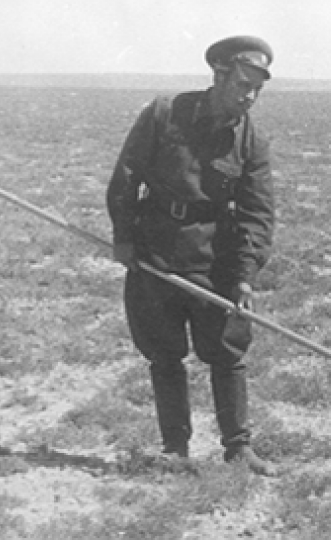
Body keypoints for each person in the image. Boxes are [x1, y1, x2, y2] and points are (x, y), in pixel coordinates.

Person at [106, 36, 276, 476]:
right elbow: (126, 176)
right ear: (218, 76)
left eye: (258, 89)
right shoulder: (165, 114)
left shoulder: (251, 139)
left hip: (214, 262)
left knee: (227, 353)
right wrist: (124, 238)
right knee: (164, 354)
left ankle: (238, 448)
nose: (249, 96)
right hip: (155, 254)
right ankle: (175, 449)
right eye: (242, 85)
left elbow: (257, 213)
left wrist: (243, 276)